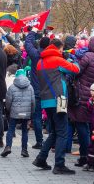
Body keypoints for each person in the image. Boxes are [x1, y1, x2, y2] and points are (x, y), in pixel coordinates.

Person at [32, 39, 80, 174]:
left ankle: (41, 158)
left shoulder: (40, 62)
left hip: (46, 100)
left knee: (55, 131)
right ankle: (59, 164)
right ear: (59, 48)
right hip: (59, 100)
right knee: (63, 132)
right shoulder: (57, 60)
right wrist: (72, 59)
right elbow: (76, 69)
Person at [68, 35, 94, 167]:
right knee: (91, 127)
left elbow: (76, 71)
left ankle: (84, 155)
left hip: (82, 94)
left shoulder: (88, 56)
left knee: (81, 126)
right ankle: (93, 156)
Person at [24, 30, 50, 150]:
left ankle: (39, 141)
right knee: (51, 117)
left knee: (37, 117)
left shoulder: (35, 55)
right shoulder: (52, 56)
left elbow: (28, 43)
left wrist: (32, 32)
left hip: (37, 90)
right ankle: (52, 140)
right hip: (50, 90)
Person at [3, 69, 35, 158]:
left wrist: (9, 110)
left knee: (11, 129)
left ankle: (8, 146)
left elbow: (8, 101)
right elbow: (33, 102)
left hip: (14, 112)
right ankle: (24, 150)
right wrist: (31, 112)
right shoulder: (30, 87)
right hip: (26, 112)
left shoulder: (12, 87)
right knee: (25, 131)